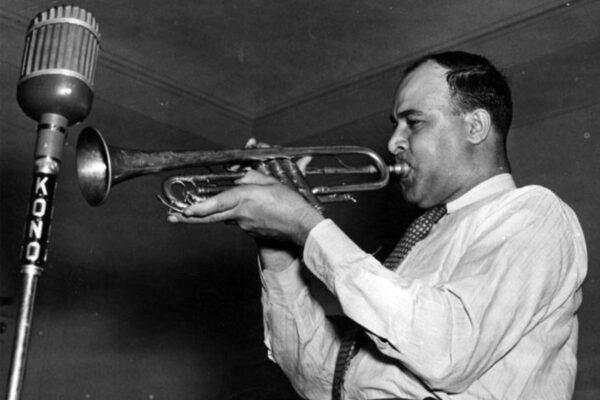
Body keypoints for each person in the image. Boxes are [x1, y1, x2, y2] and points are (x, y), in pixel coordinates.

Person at [168, 51, 587, 400]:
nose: (392, 142)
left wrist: (307, 224)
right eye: (395, 124)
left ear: (475, 126)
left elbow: (448, 352)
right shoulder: (420, 246)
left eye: (414, 122)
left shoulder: (534, 215)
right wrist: (275, 244)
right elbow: (319, 379)